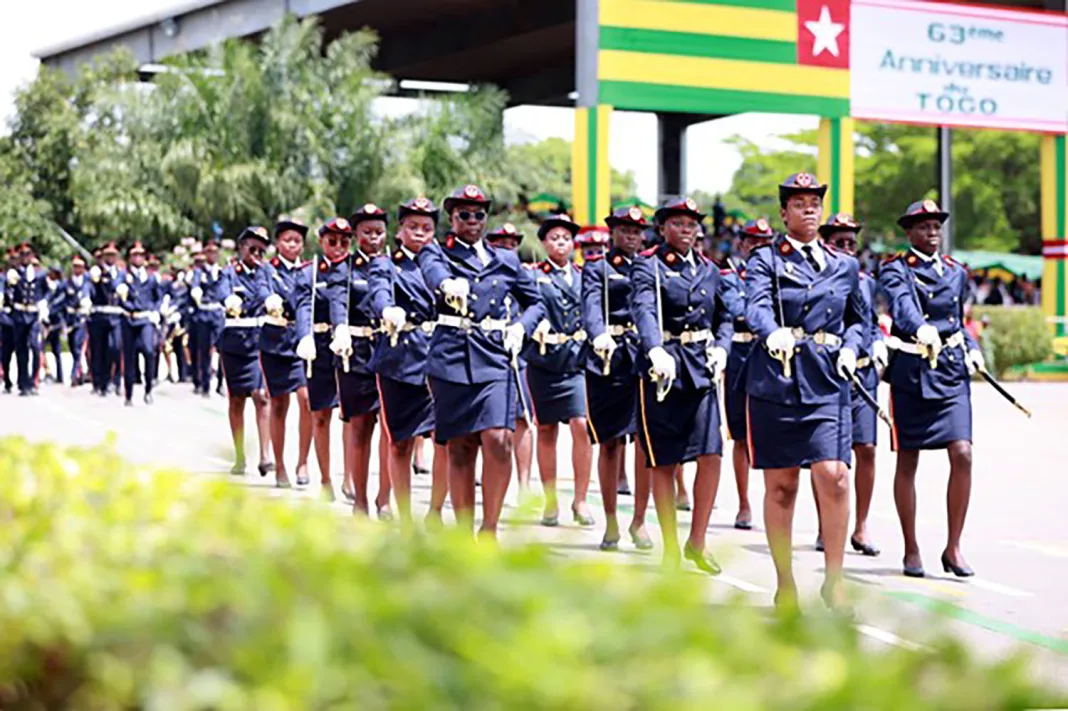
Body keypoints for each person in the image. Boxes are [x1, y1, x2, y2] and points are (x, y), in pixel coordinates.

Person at [744, 173, 869, 611]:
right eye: (799, 203)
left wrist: (853, 348)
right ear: (784, 213)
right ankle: (785, 584)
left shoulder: (844, 264)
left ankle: (834, 580)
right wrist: (770, 331)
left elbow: (859, 320)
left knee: (834, 475)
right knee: (782, 486)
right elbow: (755, 304)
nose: (809, 208)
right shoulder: (765, 260)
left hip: (827, 380)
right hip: (777, 379)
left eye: (814, 202)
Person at [417, 184, 544, 539]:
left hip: (494, 357)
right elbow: (432, 272)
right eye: (464, 215)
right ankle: (463, 534)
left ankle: (489, 530)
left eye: (478, 214)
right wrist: (447, 285)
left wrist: (521, 327)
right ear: (452, 218)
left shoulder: (505, 259)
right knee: (460, 447)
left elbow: (536, 302)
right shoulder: (437, 252)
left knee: (499, 439)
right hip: (452, 358)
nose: (472, 220)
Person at [880, 199, 982, 578]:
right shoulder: (895, 269)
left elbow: (957, 320)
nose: (932, 232)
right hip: (912, 372)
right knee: (908, 459)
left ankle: (953, 547)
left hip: (951, 372)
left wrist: (973, 348)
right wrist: (921, 328)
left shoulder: (956, 272)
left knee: (963, 453)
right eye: (923, 226)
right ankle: (911, 547)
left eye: (936, 226)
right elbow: (903, 306)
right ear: (909, 232)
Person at [632, 197, 733, 573]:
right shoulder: (649, 265)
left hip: (701, 367)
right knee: (664, 459)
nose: (686, 229)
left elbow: (725, 315)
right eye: (677, 223)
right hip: (664, 369)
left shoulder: (709, 269)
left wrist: (722, 348)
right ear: (662, 229)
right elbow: (643, 308)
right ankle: (671, 547)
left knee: (711, 453)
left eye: (691, 223)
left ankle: (698, 540)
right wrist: (654, 349)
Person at [369, 197, 449, 525]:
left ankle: (435, 511)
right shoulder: (386, 264)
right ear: (399, 231)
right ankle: (403, 518)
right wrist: (387, 310)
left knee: (444, 440)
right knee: (400, 442)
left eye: (427, 228)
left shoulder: (445, 266)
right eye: (412, 226)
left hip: (441, 359)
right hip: (400, 360)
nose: (419, 233)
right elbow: (379, 292)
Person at [582, 205, 654, 551]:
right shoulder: (598, 267)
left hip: (642, 357)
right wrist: (598, 334)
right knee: (610, 442)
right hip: (608, 358)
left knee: (644, 441)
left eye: (637, 231)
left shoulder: (650, 267)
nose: (631, 236)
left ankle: (639, 520)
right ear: (613, 233)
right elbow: (591, 307)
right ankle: (611, 520)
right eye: (625, 230)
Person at [816, 214, 885, 557]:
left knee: (867, 448)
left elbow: (869, 321)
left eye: (851, 243)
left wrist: (878, 343)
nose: (846, 248)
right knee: (829, 458)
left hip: (863, 372)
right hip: (830, 373)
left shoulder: (865, 281)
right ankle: (825, 525)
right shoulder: (818, 279)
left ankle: (861, 525)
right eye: (838, 242)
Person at [525, 214, 595, 527]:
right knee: (546, 429)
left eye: (566, 238)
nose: (561, 243)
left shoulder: (583, 275)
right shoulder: (533, 275)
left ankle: (580, 500)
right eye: (554, 238)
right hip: (544, 360)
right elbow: (524, 304)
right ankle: (550, 501)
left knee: (581, 425)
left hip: (575, 360)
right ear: (544, 243)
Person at [330, 203, 393, 518]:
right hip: (355, 353)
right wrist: (339, 328)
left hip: (389, 350)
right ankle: (360, 498)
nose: (374, 238)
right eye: (367, 232)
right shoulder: (345, 267)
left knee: (390, 428)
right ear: (355, 235)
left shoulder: (394, 265)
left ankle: (384, 497)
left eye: (379, 232)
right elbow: (338, 301)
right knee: (360, 426)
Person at [720, 218, 774, 530]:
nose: (758, 248)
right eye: (753, 242)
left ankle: (772, 502)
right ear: (742, 244)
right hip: (740, 353)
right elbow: (737, 309)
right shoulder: (729, 275)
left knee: (769, 432)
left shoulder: (780, 275)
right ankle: (744, 503)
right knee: (740, 434)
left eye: (765, 243)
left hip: (769, 353)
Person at [295, 218, 350, 501]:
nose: (338, 247)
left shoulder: (355, 270)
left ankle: (350, 477)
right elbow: (303, 306)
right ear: (321, 242)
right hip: (319, 347)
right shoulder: (310, 272)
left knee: (352, 416)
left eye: (344, 242)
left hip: (349, 348)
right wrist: (304, 336)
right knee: (320, 414)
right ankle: (326, 479)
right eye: (332, 241)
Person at [217, 227, 275, 480]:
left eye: (262, 250)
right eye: (252, 248)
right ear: (241, 248)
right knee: (237, 399)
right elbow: (222, 292)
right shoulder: (229, 273)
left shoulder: (267, 272)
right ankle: (240, 455)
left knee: (261, 396)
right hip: (234, 342)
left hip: (259, 342)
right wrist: (228, 301)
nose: (257, 254)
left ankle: (265, 455)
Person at [260, 217, 314, 487]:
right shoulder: (268, 270)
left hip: (302, 341)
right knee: (279, 403)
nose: (292, 245)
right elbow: (261, 290)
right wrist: (267, 300)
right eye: (287, 240)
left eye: (297, 241)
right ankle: (279, 465)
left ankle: (303, 461)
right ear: (278, 243)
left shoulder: (309, 270)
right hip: (276, 341)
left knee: (307, 400)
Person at [486, 223, 536, 499]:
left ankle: (524, 483)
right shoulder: (484, 271)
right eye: (500, 243)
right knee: (487, 424)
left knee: (522, 419)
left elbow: (535, 304)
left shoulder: (521, 273)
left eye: (512, 243)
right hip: (488, 351)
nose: (507, 248)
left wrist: (527, 328)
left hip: (517, 354)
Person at [117, 242, 165, 406]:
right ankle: (128, 394)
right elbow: (117, 291)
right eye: (134, 255)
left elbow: (158, 297)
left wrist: (156, 310)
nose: (137, 258)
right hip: (129, 318)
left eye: (140, 255)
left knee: (149, 351)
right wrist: (126, 301)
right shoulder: (123, 276)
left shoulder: (151, 277)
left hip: (145, 318)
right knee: (129, 357)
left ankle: (148, 388)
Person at [5, 243, 49, 396]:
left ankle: (33, 381)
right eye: (22, 254)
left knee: (35, 347)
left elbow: (47, 291)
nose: (25, 257)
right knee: (21, 350)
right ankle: (23, 383)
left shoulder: (39, 274)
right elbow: (7, 291)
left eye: (27, 253)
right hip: (19, 314)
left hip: (33, 314)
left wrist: (43, 302)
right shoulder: (14, 273)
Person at [190, 239, 227, 397]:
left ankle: (220, 383)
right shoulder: (199, 272)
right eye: (209, 252)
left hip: (218, 312)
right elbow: (195, 285)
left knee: (223, 349)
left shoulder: (222, 271)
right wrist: (196, 291)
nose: (212, 255)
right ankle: (205, 384)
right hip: (204, 312)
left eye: (214, 252)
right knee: (204, 350)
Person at [88, 242, 125, 396]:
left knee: (115, 347)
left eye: (113, 255)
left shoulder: (121, 274)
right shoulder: (97, 273)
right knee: (99, 350)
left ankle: (116, 380)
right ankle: (100, 382)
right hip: (100, 315)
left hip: (116, 316)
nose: (110, 258)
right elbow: (90, 291)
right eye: (107, 255)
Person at [64, 255, 92, 386]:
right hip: (70, 319)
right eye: (75, 266)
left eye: (80, 266)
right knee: (72, 346)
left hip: (82, 317)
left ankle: (74, 374)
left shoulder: (88, 282)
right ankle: (79, 372)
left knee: (77, 346)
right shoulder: (67, 283)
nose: (77, 269)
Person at [41, 264, 67, 384]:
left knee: (56, 350)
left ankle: (60, 375)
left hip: (56, 320)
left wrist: (49, 309)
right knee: (42, 348)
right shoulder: (47, 285)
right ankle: (47, 372)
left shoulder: (61, 286)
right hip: (45, 321)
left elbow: (60, 302)